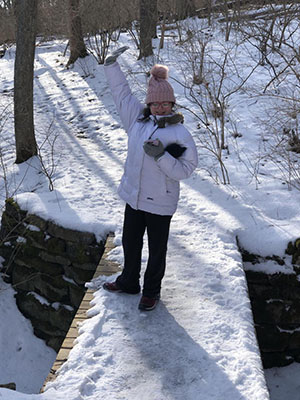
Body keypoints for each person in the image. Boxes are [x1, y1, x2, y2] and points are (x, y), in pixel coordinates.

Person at [102, 46, 198, 311]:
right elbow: (122, 95)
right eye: (155, 102)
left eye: (165, 103)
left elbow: (187, 169)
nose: (160, 107)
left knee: (157, 251)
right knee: (131, 243)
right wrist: (111, 66)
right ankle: (129, 282)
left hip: (160, 202)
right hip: (134, 197)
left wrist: (161, 157)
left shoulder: (180, 133)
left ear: (172, 103)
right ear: (149, 104)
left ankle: (151, 291)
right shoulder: (138, 121)